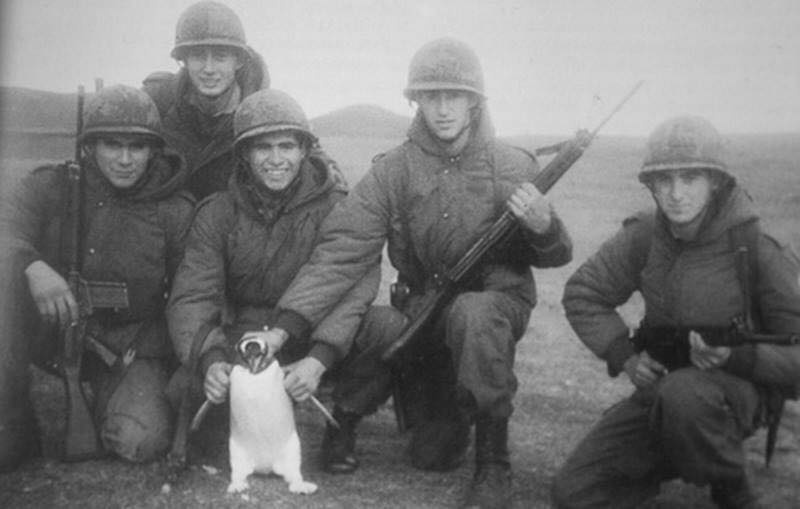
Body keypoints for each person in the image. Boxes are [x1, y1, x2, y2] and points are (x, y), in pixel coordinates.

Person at [258, 38, 572, 508]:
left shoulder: (513, 164)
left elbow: (556, 254)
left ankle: (493, 462)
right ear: (416, 102)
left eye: (454, 96)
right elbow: (343, 249)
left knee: (475, 312)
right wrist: (287, 328)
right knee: (432, 452)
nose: (443, 108)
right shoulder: (394, 170)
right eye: (431, 96)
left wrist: (544, 226)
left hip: (492, 308)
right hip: (424, 314)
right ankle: (345, 420)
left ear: (474, 102)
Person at [552, 116, 800, 509]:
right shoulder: (646, 236)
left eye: (689, 179)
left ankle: (734, 491)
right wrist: (626, 357)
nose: (676, 194)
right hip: (663, 391)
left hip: (735, 395)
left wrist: (737, 357)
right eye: (664, 180)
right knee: (575, 493)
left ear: (715, 182)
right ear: (651, 186)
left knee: (683, 395)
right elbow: (584, 293)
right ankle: (672, 459)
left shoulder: (756, 247)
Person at [165, 88, 386, 464]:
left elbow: (354, 285)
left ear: (304, 151)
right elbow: (193, 296)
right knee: (185, 406)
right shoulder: (217, 213)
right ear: (244, 156)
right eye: (262, 148)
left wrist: (320, 356)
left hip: (315, 333)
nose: (276, 160)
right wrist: (212, 360)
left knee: (386, 329)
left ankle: (341, 425)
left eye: (287, 146)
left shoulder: (337, 208)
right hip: (243, 339)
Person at [0, 85, 195, 470]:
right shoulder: (50, 186)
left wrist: (142, 349)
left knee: (138, 441)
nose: (125, 159)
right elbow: (7, 226)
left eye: (136, 147)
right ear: (89, 146)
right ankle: (13, 422)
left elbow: (188, 294)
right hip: (51, 328)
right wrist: (31, 265)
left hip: (129, 347)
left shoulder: (175, 210)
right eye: (111, 144)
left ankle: (107, 400)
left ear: (153, 150)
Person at [142, 1, 341, 200]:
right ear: (184, 61)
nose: (209, 69)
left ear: (239, 61)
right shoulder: (158, 100)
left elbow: (314, 162)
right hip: (166, 221)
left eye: (220, 57)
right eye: (198, 56)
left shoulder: (264, 111)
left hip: (230, 225)